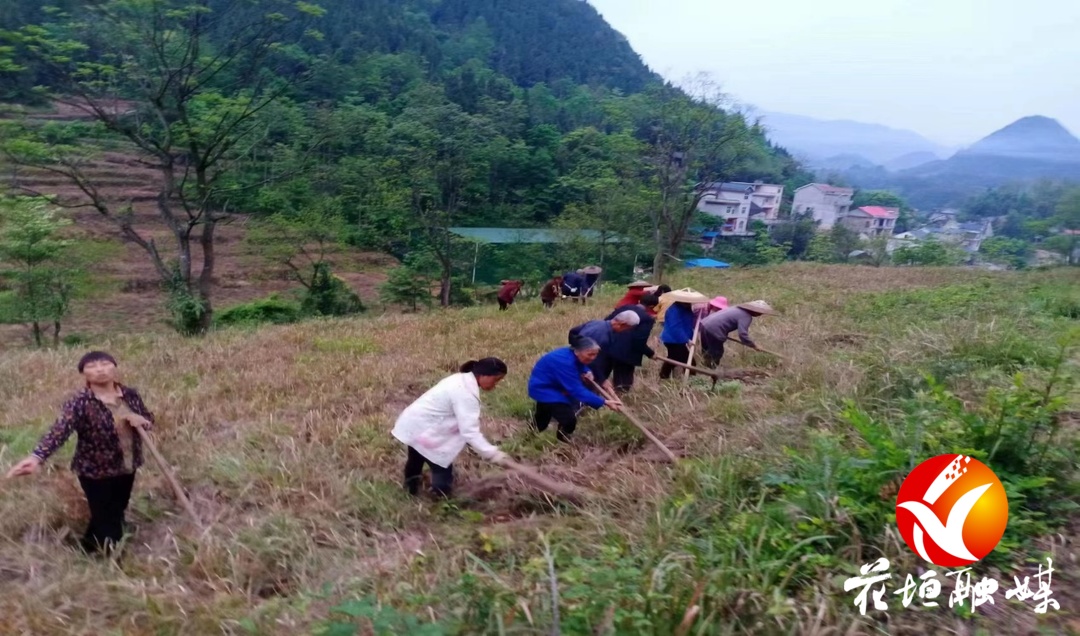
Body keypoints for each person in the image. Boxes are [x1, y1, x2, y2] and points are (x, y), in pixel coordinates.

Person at [6, 351, 155, 555]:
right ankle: (112, 561)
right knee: (107, 519)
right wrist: (37, 457)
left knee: (115, 510)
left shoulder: (130, 394)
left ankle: (87, 548)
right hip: (95, 471)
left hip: (127, 465)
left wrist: (143, 420)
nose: (100, 369)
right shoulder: (80, 401)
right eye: (92, 366)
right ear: (84, 373)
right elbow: (60, 430)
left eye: (104, 364)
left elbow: (147, 418)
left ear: (114, 367)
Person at [391, 358, 511, 499]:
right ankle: (441, 502)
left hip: (415, 423)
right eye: (495, 380)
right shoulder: (466, 394)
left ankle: (409, 491)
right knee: (441, 469)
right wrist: (492, 453)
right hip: (424, 429)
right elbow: (470, 432)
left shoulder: (459, 379)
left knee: (415, 458)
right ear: (484, 375)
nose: (495, 385)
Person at [528, 338, 622, 443]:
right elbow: (577, 390)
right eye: (590, 354)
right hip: (546, 390)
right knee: (569, 420)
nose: (593, 358)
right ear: (577, 351)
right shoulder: (564, 362)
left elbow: (580, 365)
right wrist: (604, 402)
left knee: (543, 416)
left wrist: (587, 371)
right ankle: (563, 440)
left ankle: (529, 436)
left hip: (554, 386)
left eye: (595, 354)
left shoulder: (572, 354)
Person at [567, 310, 641, 394]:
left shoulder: (596, 322)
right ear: (622, 324)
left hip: (578, 363)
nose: (627, 331)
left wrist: (575, 347)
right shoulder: (602, 337)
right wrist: (602, 380)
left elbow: (573, 332)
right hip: (582, 369)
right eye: (628, 329)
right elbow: (592, 362)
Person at [604, 294, 658, 393]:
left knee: (600, 376)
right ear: (651, 306)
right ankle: (620, 401)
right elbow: (639, 341)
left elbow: (607, 322)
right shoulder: (647, 319)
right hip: (626, 353)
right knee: (623, 382)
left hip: (607, 346)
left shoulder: (624, 308)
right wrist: (650, 353)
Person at [699, 300, 778, 368]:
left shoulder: (735, 308)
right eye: (760, 313)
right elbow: (743, 334)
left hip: (704, 325)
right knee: (716, 352)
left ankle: (704, 367)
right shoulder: (746, 316)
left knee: (706, 350)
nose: (761, 314)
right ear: (756, 311)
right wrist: (754, 345)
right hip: (714, 330)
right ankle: (711, 370)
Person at [659, 300, 696, 380]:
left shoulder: (686, 309)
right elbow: (675, 328)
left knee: (673, 358)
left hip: (679, 340)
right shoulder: (674, 310)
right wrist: (687, 340)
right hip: (672, 339)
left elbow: (687, 324)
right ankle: (691, 379)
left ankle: (663, 377)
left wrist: (690, 336)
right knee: (687, 361)